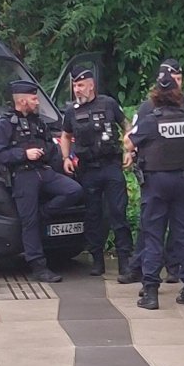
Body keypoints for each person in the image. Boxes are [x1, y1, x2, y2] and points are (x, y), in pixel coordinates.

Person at [122, 58, 184, 293]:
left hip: (156, 183)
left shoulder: (151, 118)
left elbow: (129, 142)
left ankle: (150, 291)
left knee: (153, 236)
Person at [0, 79, 84, 283]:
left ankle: (44, 213)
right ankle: (39, 266)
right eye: (34, 98)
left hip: (44, 171)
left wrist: (49, 154)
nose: (37, 102)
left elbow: (51, 147)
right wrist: (24, 154)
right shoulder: (5, 125)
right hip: (23, 176)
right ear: (22, 101)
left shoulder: (38, 122)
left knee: (73, 190)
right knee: (29, 223)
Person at [58, 66, 133, 276]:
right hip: (88, 169)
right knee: (93, 215)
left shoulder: (108, 103)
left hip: (111, 166)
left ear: (91, 85)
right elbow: (65, 135)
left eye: (81, 85)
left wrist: (130, 150)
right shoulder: (72, 111)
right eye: (74, 85)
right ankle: (97, 260)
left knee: (118, 212)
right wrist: (66, 157)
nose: (77, 89)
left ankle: (125, 261)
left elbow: (127, 126)